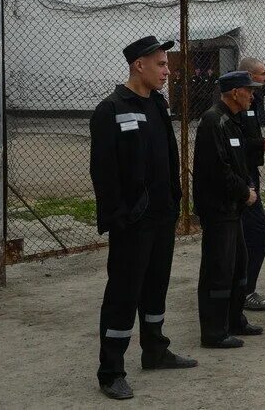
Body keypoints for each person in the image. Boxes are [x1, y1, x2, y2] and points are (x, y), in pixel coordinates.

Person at [90, 35, 197, 400]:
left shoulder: (158, 104)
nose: (168, 71)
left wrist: (174, 201)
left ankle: (155, 350)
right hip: (132, 223)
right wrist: (121, 216)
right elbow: (103, 174)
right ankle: (111, 371)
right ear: (139, 65)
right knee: (123, 293)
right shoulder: (112, 109)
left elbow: (166, 157)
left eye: (167, 65)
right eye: (162, 64)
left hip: (162, 216)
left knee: (156, 286)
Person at [193, 71, 265, 349]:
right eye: (249, 90)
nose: (253, 95)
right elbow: (218, 170)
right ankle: (213, 331)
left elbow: (239, 161)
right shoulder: (214, 121)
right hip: (219, 208)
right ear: (235, 93)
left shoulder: (232, 120)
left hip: (233, 207)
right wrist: (244, 192)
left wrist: (246, 187)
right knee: (218, 269)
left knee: (238, 265)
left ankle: (235, 319)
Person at [237, 58, 265, 311]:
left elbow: (250, 133)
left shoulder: (255, 98)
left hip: (251, 172)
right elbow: (235, 139)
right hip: (241, 177)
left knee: (251, 233)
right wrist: (259, 145)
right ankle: (244, 290)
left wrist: (263, 145)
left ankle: (244, 288)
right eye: (262, 74)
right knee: (256, 232)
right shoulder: (232, 103)